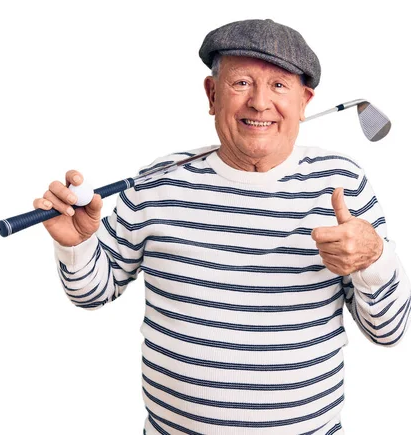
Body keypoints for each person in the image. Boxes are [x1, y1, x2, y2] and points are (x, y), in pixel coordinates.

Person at [33, 19, 410, 434]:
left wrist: (374, 259)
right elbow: (92, 293)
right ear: (212, 95)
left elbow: (389, 331)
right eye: (242, 83)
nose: (260, 103)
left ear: (305, 101)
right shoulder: (157, 182)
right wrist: (78, 246)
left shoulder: (342, 183)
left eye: (279, 86)